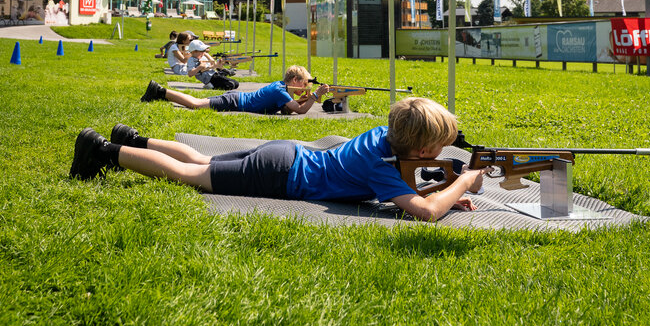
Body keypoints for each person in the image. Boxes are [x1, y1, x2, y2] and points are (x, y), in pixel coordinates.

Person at [69, 97, 485, 223]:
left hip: (284, 153)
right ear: (422, 149)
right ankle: (104, 152)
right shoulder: (383, 166)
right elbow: (426, 214)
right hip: (281, 174)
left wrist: (443, 189)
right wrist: (461, 183)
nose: (439, 155)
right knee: (191, 175)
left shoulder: (384, 139)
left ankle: (135, 140)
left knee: (199, 158)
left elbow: (409, 192)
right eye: (438, 147)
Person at [140, 64, 328, 115]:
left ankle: (162, 95)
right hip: (235, 101)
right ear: (295, 80)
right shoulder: (281, 91)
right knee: (196, 104)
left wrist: (307, 97)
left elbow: (288, 110)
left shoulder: (281, 88)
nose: (304, 88)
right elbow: (300, 111)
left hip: (237, 99)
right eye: (303, 84)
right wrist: (314, 96)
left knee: (197, 104)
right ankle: (159, 90)